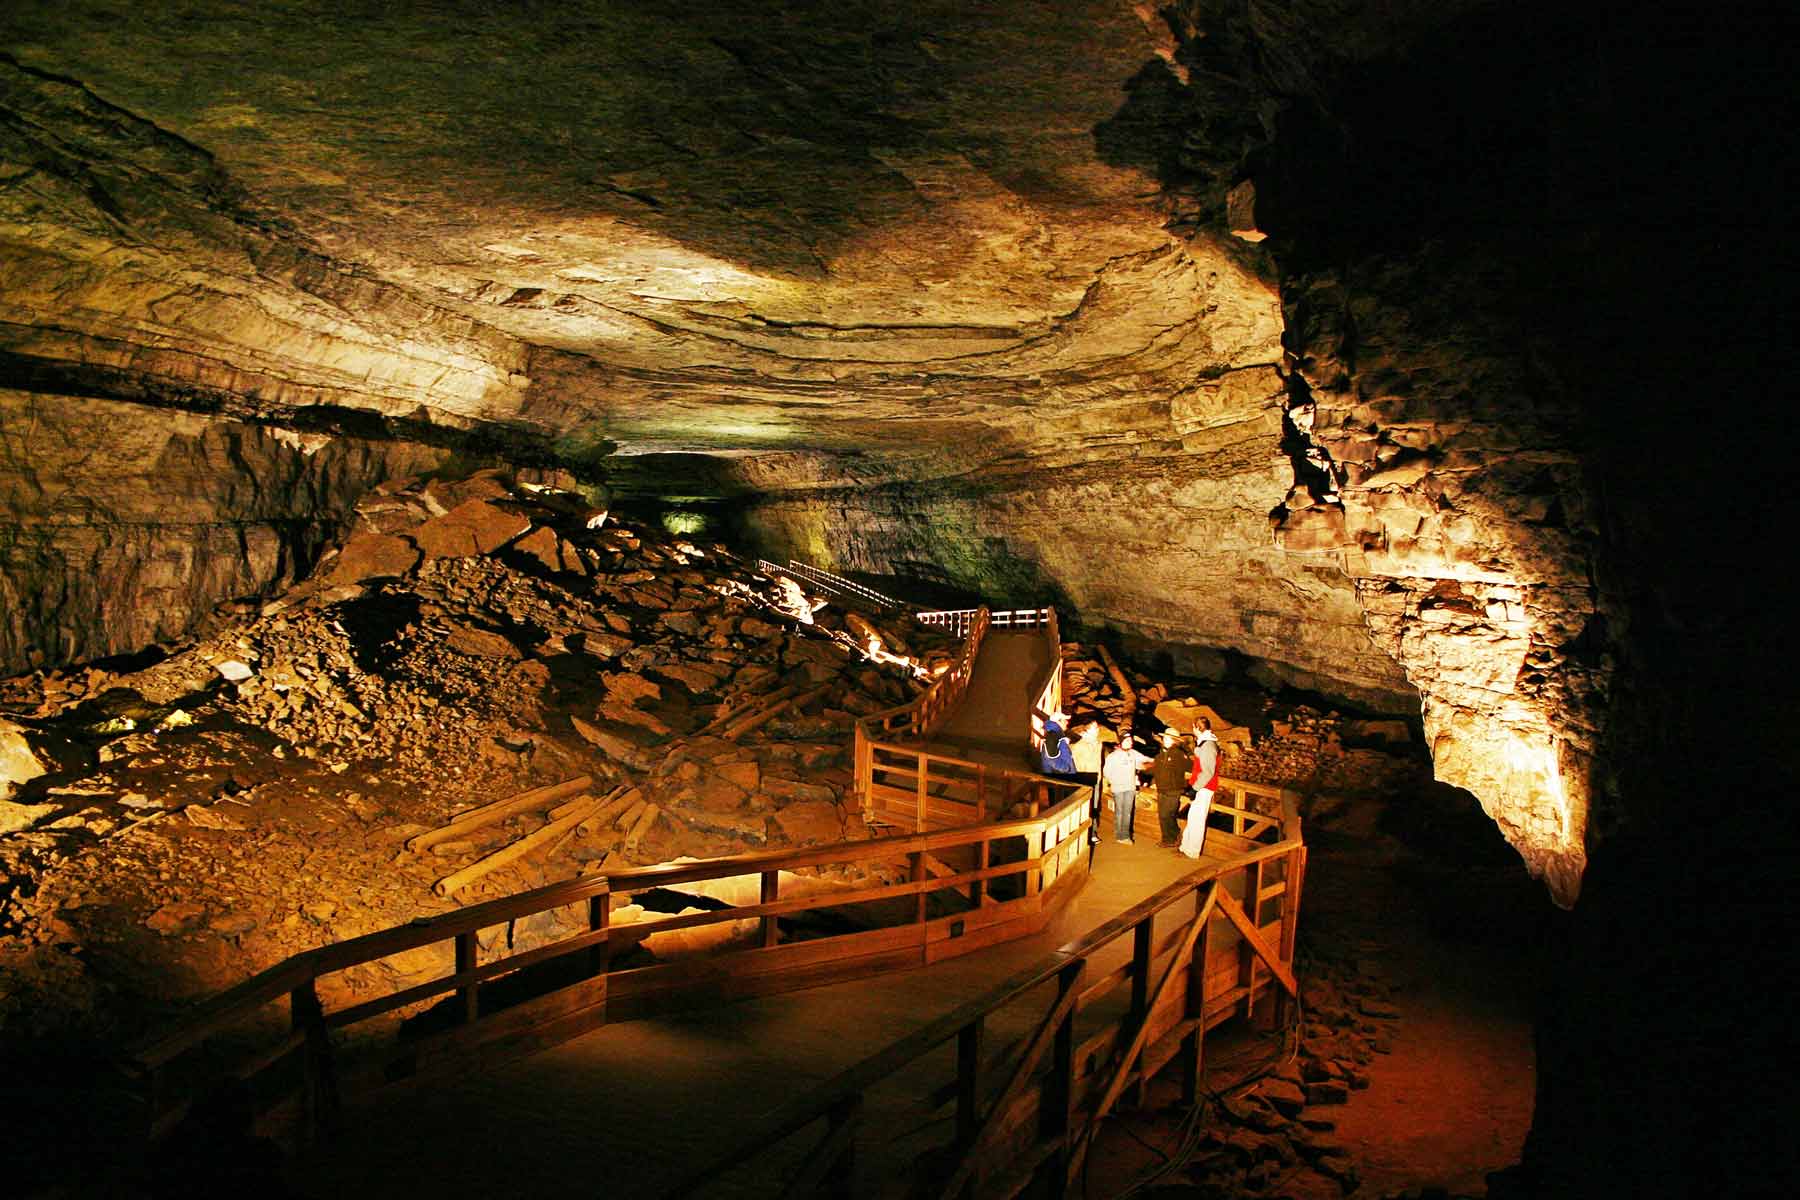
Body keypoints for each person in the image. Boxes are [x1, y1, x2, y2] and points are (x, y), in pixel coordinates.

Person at [1179, 718, 1221, 859]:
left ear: (1197, 728)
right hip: (1200, 786)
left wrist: (1194, 788)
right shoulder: (1205, 743)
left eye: (1193, 727)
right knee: (1193, 817)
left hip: (1204, 787)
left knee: (1198, 819)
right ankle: (1186, 846)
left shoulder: (1208, 746)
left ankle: (1193, 851)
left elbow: (1208, 771)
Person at [1102, 734, 1153, 843]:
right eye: (1127, 741)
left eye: (1131, 741)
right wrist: (1114, 781)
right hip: (1118, 788)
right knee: (1120, 811)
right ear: (1121, 742)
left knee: (1128, 812)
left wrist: (1158, 759)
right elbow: (1107, 772)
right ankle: (1120, 835)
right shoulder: (1113, 756)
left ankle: (1124, 835)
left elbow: (1144, 759)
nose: (1130, 743)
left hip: (1130, 787)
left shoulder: (1133, 753)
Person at [1151, 729, 1189, 848]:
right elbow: (1156, 770)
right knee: (1163, 815)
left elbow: (1190, 767)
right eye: (1164, 738)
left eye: (1167, 738)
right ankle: (1168, 838)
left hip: (1173, 790)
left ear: (1173, 740)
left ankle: (1173, 836)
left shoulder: (1178, 754)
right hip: (1162, 789)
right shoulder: (1161, 754)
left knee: (1167, 815)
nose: (1164, 740)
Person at [1039, 710, 1076, 774]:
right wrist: (1068, 769)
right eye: (1064, 720)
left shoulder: (1055, 735)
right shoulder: (1053, 736)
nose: (1067, 723)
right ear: (1058, 722)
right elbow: (1052, 760)